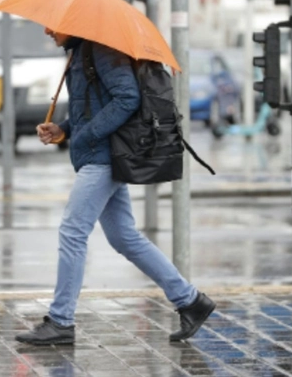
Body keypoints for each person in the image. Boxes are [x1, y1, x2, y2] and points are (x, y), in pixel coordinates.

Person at [15, 28, 215, 346]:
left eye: (54, 25)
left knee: (72, 231)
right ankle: (190, 301)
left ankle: (61, 320)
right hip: (99, 155)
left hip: (103, 158)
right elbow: (93, 106)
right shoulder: (81, 53)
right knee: (124, 237)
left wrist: (87, 134)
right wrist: (63, 129)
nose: (48, 30)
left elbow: (127, 98)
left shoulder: (101, 50)